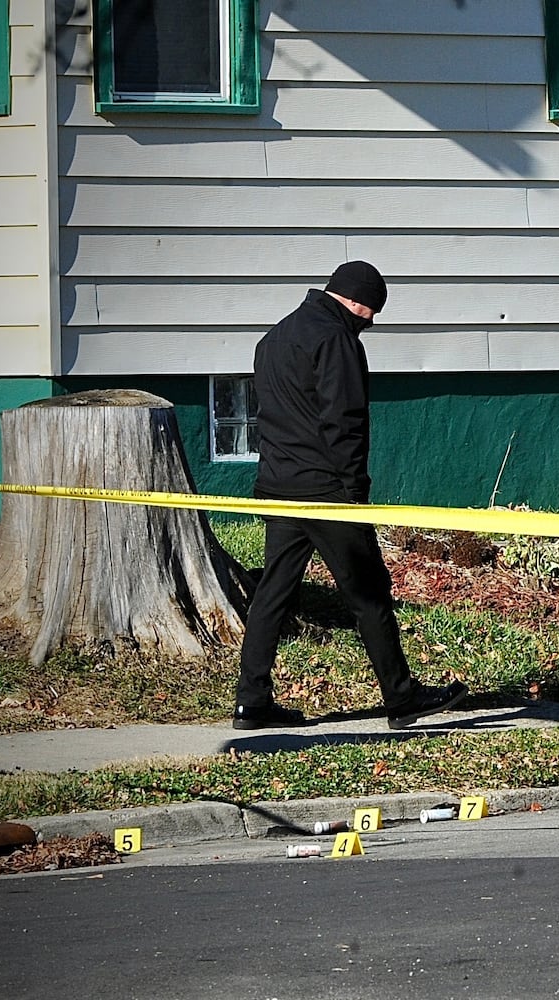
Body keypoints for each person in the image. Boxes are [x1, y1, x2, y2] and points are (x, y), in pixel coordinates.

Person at [233, 261, 468, 731]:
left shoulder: (274, 338)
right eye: (372, 310)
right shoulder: (336, 339)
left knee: (272, 597)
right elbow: (345, 420)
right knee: (370, 594)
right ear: (357, 299)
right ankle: (402, 699)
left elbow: (275, 418)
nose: (372, 321)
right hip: (327, 491)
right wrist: (354, 490)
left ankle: (251, 701)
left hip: (279, 488)